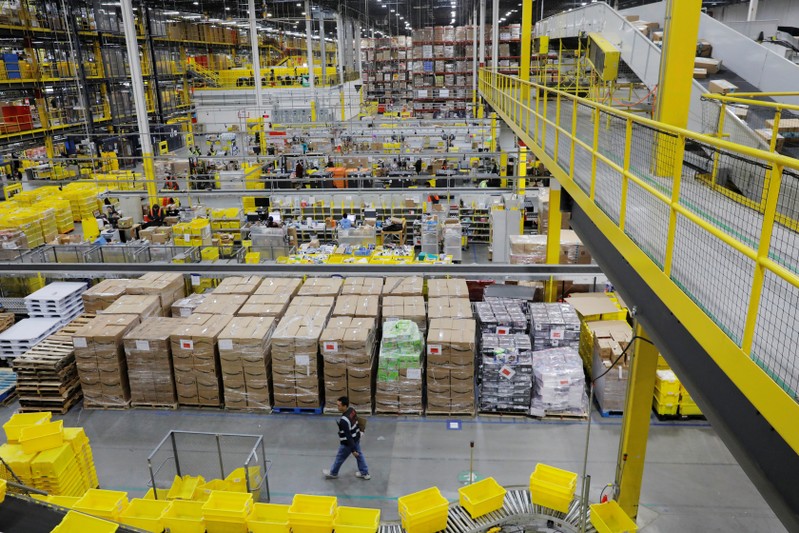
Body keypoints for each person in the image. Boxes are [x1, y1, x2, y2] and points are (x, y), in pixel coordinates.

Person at [323, 396, 369, 480]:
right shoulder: (352, 410)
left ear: (344, 406)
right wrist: (361, 431)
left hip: (348, 443)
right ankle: (365, 473)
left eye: (339, 405)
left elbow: (348, 436)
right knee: (359, 455)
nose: (337, 407)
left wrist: (353, 450)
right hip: (356, 437)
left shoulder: (344, 420)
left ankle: (333, 473)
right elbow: (357, 420)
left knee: (340, 457)